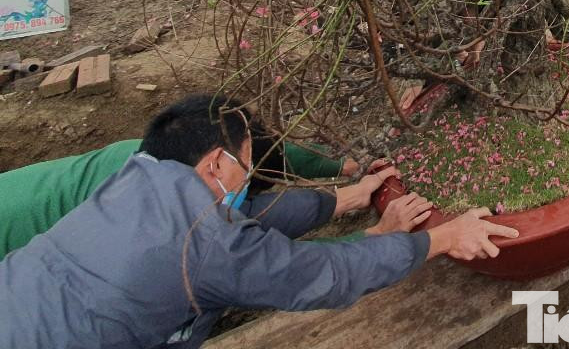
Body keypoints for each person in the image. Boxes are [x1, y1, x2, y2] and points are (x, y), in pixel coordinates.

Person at [0, 94, 517, 349]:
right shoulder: (204, 243)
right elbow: (322, 276)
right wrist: (440, 238)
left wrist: (343, 199)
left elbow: (246, 214)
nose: (250, 174)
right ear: (216, 164)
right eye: (246, 161)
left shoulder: (136, 177)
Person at [0, 131, 359, 259]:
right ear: (214, 165)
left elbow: (265, 152)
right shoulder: (152, 221)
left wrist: (342, 166)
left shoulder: (155, 154)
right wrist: (366, 232)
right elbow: (257, 260)